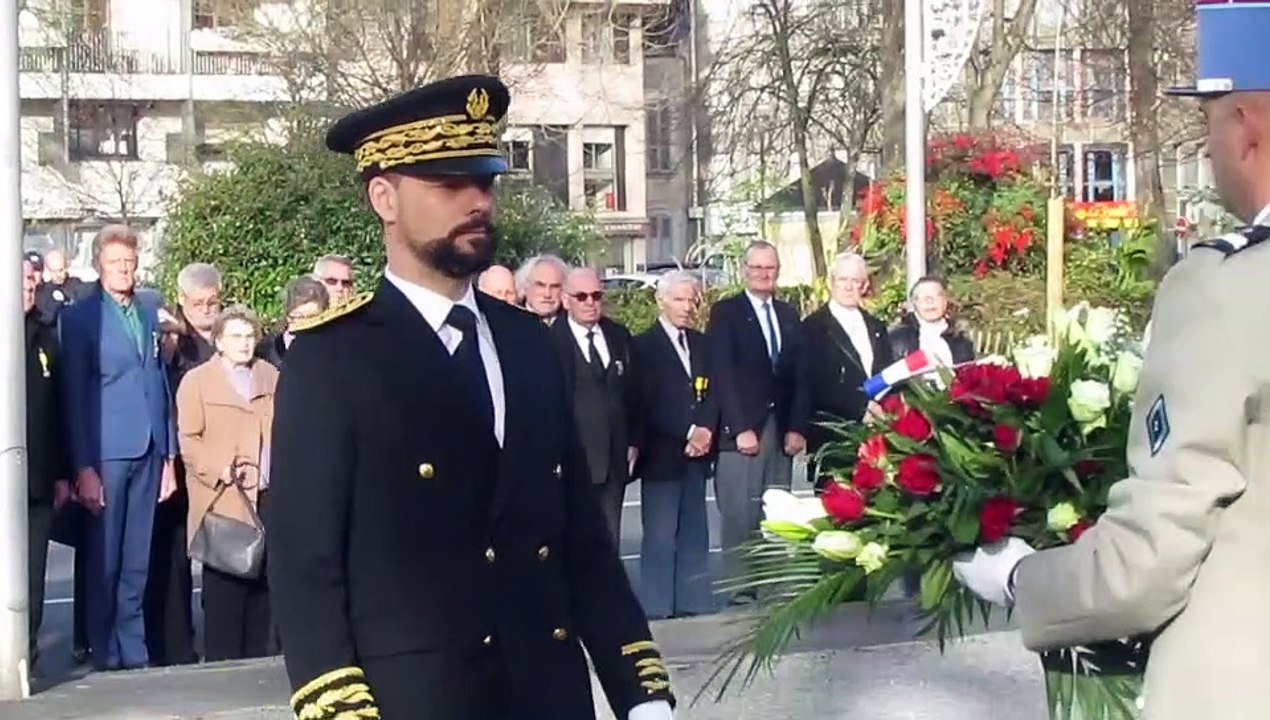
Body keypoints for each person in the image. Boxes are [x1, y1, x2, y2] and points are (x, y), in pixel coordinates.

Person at [267, 75, 675, 720]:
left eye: (483, 183)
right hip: (417, 700)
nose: (476, 202)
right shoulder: (334, 356)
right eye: (448, 185)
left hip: (545, 692)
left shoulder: (527, 341)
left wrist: (640, 689)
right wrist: (339, 706)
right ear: (384, 197)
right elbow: (305, 563)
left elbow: (579, 538)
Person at [951, 6, 1270, 718]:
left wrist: (1020, 579)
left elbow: (1150, 559)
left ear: (1246, 125)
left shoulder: (1227, 290)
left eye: (1211, 118)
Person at [60, 225, 179, 672]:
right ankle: (104, 647)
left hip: (149, 447)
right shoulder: (81, 318)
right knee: (106, 556)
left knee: (137, 557)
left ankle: (134, 647)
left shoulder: (148, 309)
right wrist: (84, 467)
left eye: (129, 262)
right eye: (115, 263)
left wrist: (168, 456)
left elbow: (158, 383)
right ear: (98, 266)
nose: (124, 270)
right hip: (107, 450)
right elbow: (74, 396)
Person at [705, 240, 809, 604]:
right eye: (758, 267)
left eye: (771, 268)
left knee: (776, 510)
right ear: (745, 270)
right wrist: (737, 427)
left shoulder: (789, 315)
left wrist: (798, 427)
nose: (765, 274)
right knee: (739, 512)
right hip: (744, 429)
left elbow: (800, 376)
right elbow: (722, 373)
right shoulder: (727, 313)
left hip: (780, 428)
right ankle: (741, 589)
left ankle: (774, 585)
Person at [178, 305, 278, 661]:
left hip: (266, 497)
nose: (245, 343)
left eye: (250, 335)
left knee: (263, 592)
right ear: (219, 341)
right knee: (225, 590)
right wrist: (218, 468)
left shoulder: (269, 376)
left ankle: (257, 664)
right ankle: (222, 668)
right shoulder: (197, 381)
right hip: (223, 499)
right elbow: (188, 439)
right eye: (236, 336)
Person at [631, 271, 717, 620]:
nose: (687, 307)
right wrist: (688, 431)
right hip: (663, 455)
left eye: (692, 300)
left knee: (696, 532)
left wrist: (706, 428)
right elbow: (647, 402)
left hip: (698, 455)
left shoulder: (702, 344)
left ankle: (693, 602)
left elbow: (713, 391)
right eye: (679, 300)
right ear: (661, 301)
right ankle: (657, 608)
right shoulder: (642, 347)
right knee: (661, 536)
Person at [549, 267, 642, 542]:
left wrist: (635, 441)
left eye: (596, 295)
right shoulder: (550, 341)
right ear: (566, 300)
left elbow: (634, 394)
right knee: (573, 539)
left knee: (609, 537)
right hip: (573, 461)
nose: (590, 302)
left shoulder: (618, 336)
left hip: (614, 459)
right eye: (581, 296)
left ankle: (607, 586)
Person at [23, 256, 73, 670]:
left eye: (30, 280)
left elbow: (58, 409)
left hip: (37, 477)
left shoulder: (44, 335)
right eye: (18, 279)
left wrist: (61, 473)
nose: (27, 286)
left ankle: (26, 652)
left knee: (32, 572)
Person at [887, 275, 975, 366]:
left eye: (936, 296)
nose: (929, 301)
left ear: (945, 301)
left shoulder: (960, 339)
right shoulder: (896, 338)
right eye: (923, 298)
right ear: (914, 303)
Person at [255, 276, 330, 369]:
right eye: (300, 317)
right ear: (287, 315)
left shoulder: (335, 348)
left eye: (313, 317)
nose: (306, 324)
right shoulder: (267, 350)